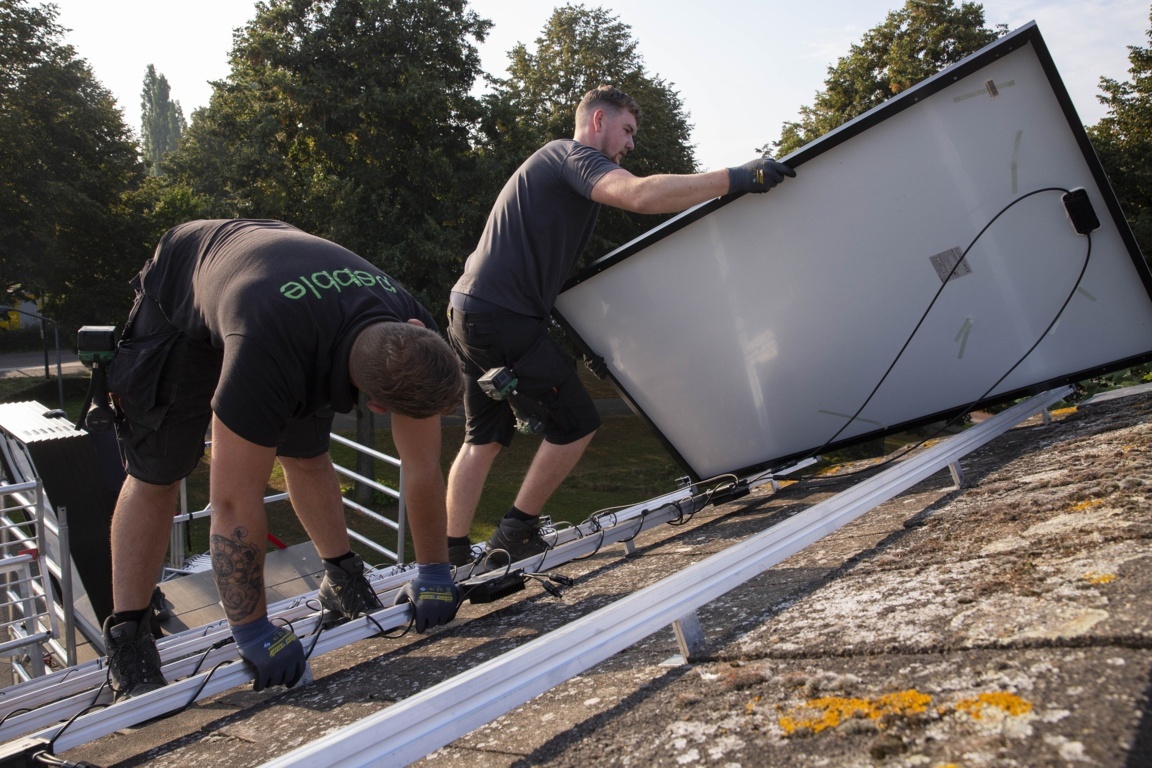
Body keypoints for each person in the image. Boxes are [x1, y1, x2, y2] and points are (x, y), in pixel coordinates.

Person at [101, 219, 465, 702]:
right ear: (376, 406)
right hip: (183, 289)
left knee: (308, 454)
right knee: (159, 472)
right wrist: (252, 630)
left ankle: (342, 577)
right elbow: (232, 502)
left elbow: (422, 466)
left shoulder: (413, 334)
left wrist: (436, 573)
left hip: (285, 296)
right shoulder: (264, 355)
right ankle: (128, 637)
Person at [445, 84, 796, 567]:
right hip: (502, 315)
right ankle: (515, 532)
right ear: (597, 122)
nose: (630, 144)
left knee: (481, 439)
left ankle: (453, 553)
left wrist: (585, 334)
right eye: (626, 130)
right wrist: (737, 177)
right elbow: (638, 194)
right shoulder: (570, 156)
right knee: (577, 422)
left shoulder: (552, 176)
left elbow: (545, 272)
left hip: (468, 310)